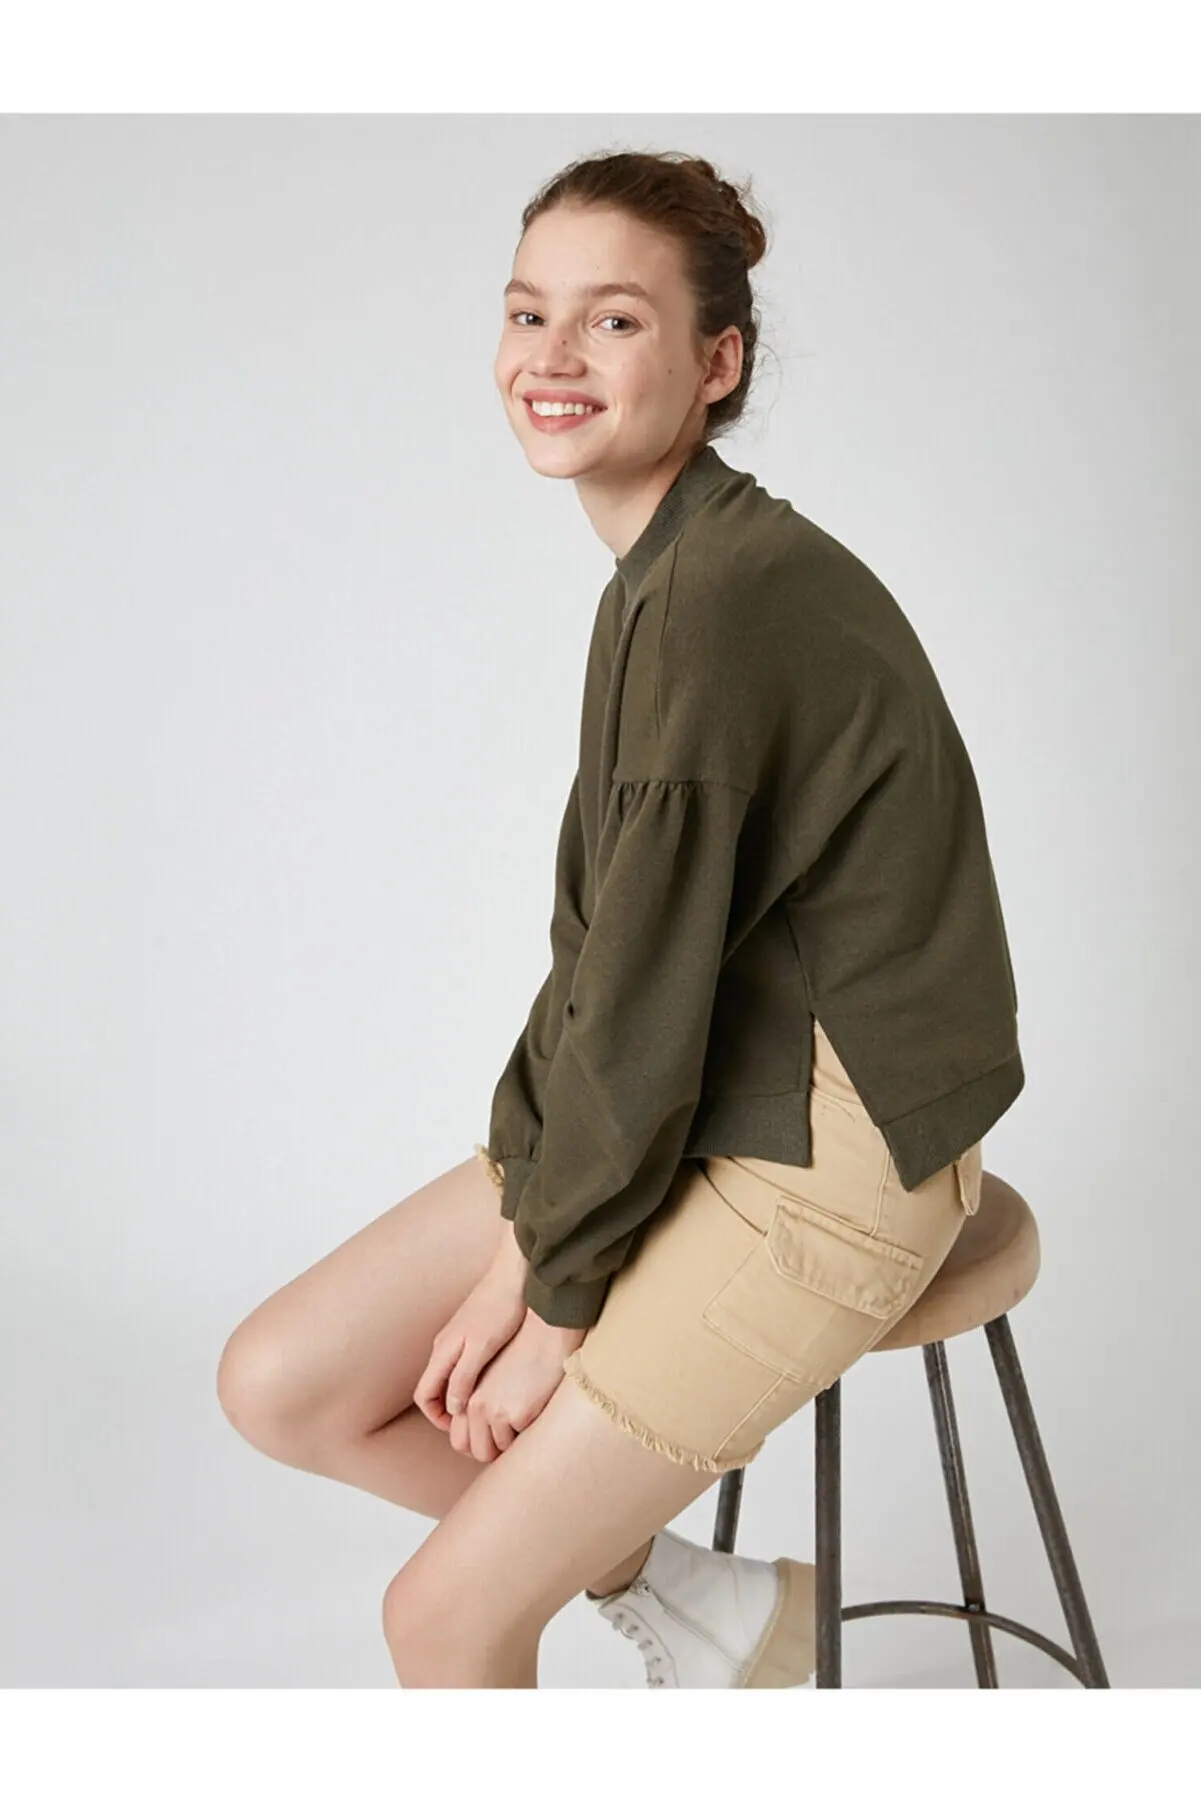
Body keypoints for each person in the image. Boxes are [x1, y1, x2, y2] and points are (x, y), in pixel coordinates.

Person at [217, 148, 1023, 1690]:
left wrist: (555, 1296)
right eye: (529, 314)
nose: (552, 358)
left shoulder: (717, 601)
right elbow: (603, 964)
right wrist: (532, 1230)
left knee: (442, 1616)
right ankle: (713, 1608)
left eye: (614, 321)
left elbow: (641, 1005)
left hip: (835, 1149)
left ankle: (671, 1600)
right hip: (721, 1079)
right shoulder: (673, 571)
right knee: (283, 1380)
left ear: (718, 364)